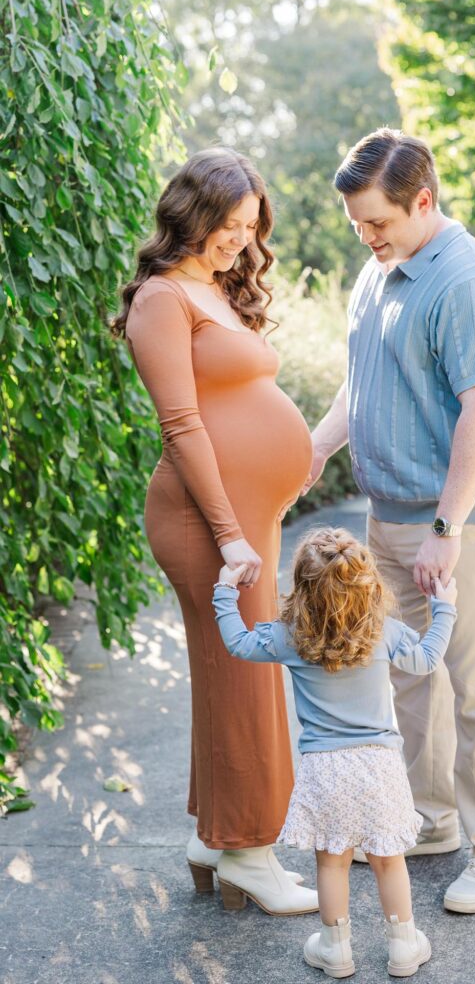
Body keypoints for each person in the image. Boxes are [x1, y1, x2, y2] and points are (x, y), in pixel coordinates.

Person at [302, 128, 475, 914]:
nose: (366, 237)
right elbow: (359, 380)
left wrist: (447, 527)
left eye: (378, 222)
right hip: (388, 516)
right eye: (357, 223)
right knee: (406, 680)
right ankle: (431, 821)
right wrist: (316, 446)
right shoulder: (381, 271)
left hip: (464, 526)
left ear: (423, 201)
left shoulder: (467, 280)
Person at [112, 147, 318, 915]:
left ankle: (215, 835)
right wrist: (232, 533)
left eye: (250, 225)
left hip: (241, 516)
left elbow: (244, 401)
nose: (241, 239)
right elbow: (183, 425)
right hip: (206, 523)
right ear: (192, 213)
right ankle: (251, 854)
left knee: (234, 672)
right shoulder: (164, 299)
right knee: (247, 677)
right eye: (229, 224)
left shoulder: (217, 290)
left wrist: (284, 469)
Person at [212, 527, 458, 978]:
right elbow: (426, 660)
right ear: (369, 582)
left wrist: (225, 590)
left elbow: (238, 643)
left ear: (302, 588)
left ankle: (335, 948)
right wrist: (444, 607)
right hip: (379, 763)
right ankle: (403, 945)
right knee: (388, 859)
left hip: (324, 768)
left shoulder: (291, 636)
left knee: (332, 858)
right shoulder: (383, 631)